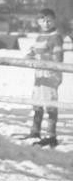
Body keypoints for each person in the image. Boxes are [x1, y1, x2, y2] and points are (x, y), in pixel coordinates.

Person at [25, 8, 64, 147]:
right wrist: (30, 56)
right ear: (38, 22)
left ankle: (51, 135)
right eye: (43, 20)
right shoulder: (40, 36)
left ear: (54, 21)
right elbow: (32, 51)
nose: (46, 24)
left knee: (50, 104)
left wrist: (39, 58)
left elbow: (57, 58)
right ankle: (35, 130)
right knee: (37, 102)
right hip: (39, 73)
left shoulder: (56, 37)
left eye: (49, 21)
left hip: (50, 74)